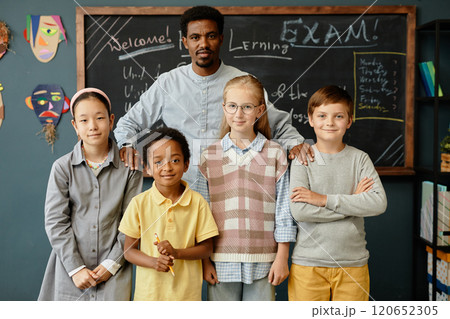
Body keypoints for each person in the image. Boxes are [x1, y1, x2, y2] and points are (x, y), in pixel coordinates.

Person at [114, 6, 312, 191]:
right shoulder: (167, 83)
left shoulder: (243, 82)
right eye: (195, 37)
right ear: (185, 42)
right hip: (182, 192)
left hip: (232, 190)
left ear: (221, 38)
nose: (204, 44)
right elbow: (128, 124)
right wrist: (128, 144)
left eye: (211, 36)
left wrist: (295, 142)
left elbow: (278, 124)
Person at [38, 88, 143, 301]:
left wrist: (111, 264)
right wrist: (76, 268)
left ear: (111, 120)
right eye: (84, 120)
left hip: (114, 271)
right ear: (75, 126)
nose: (93, 126)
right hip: (70, 271)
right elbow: (55, 222)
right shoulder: (62, 168)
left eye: (100, 118)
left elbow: (132, 223)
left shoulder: (130, 167)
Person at [198, 75, 297, 301]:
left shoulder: (275, 153)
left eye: (247, 107)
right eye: (232, 106)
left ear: (260, 110)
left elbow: (284, 209)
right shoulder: (209, 156)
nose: (238, 114)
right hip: (221, 260)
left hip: (265, 260)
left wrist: (282, 257)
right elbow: (202, 215)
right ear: (224, 108)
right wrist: (205, 261)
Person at [288, 85, 387, 301]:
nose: (330, 122)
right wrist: (352, 204)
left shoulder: (360, 159)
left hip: (353, 263)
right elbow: (300, 211)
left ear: (349, 121)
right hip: (308, 263)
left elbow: (378, 203)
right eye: (322, 115)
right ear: (311, 119)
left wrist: (322, 200)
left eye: (338, 116)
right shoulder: (302, 159)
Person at [119, 127, 219, 300]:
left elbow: (206, 249)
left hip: (187, 297)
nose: (167, 167)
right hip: (148, 297)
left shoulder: (198, 202)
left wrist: (177, 253)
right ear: (147, 168)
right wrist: (154, 262)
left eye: (175, 160)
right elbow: (128, 251)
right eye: (158, 162)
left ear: (186, 164)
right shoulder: (138, 203)